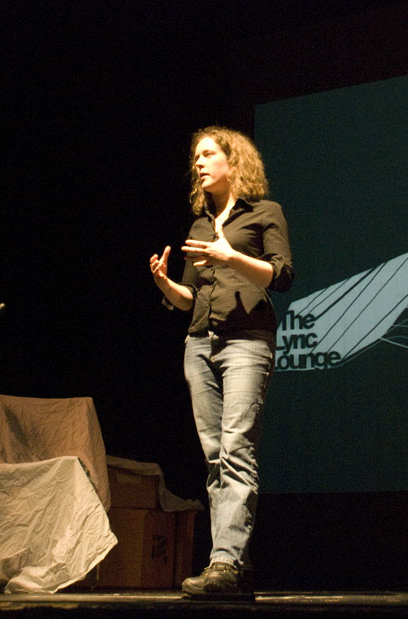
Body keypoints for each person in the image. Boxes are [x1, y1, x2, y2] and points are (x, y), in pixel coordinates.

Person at [149, 126, 293, 599]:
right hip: (198, 344)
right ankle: (237, 568)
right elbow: (190, 297)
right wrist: (165, 284)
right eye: (196, 157)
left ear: (234, 162)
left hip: (247, 339)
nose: (199, 162)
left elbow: (281, 274)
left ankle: (224, 563)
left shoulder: (265, 212)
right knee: (215, 458)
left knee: (236, 448)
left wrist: (230, 256)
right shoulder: (197, 225)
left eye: (208, 154)